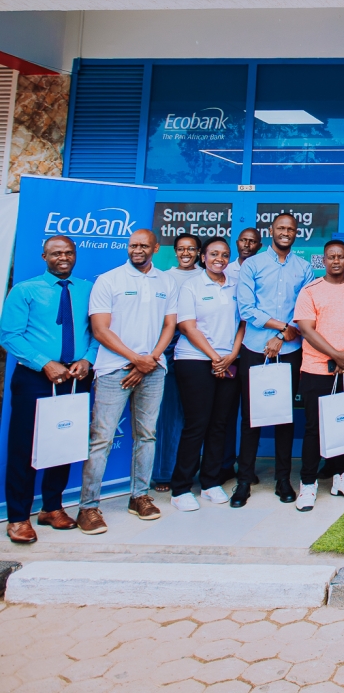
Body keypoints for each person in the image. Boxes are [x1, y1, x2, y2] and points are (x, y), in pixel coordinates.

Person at [80, 229, 179, 534]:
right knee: (102, 438)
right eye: (133, 245)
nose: (137, 250)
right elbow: (100, 329)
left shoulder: (166, 281)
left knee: (147, 435)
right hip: (113, 370)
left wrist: (149, 360)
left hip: (153, 369)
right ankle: (88, 507)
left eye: (143, 246)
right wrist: (135, 359)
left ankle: (140, 496)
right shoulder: (109, 280)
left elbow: (169, 325)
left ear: (155, 248)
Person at [1, 236, 98, 543]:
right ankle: (18, 516)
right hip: (36, 378)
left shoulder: (87, 289)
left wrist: (88, 359)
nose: (63, 258)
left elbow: (98, 331)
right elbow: (9, 336)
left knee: (64, 442)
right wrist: (44, 363)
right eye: (56, 253)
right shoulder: (25, 290)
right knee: (24, 448)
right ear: (44, 256)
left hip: (75, 377)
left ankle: (52, 508)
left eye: (69, 253)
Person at [235, 214, 315, 505]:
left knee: (284, 416)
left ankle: (283, 480)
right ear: (272, 231)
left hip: (289, 352)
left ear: (296, 234)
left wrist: (281, 338)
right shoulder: (253, 265)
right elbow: (246, 308)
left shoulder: (304, 268)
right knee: (251, 417)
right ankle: (244, 481)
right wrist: (279, 328)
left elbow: (302, 310)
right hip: (255, 349)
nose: (285, 233)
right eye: (281, 228)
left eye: (291, 229)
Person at [292, 240, 344, 512]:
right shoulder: (310, 291)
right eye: (331, 257)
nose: (336, 261)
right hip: (317, 369)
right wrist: (335, 355)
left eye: (340, 257)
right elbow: (306, 328)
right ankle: (308, 483)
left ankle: (342, 478)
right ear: (323, 260)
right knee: (314, 428)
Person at [171, 237, 245, 510]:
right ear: (203, 256)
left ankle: (211, 482)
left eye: (225, 255)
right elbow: (188, 326)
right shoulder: (191, 286)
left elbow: (243, 323)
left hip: (227, 360)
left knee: (220, 424)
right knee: (197, 424)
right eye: (214, 254)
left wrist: (232, 355)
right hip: (195, 361)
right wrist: (215, 358)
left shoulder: (236, 286)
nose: (220, 259)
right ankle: (180, 488)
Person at [152, 233, 203, 494]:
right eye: (181, 249)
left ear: (198, 252)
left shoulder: (206, 277)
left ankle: (194, 470)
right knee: (170, 413)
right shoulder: (164, 277)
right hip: (170, 346)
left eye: (191, 249)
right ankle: (164, 472)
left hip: (202, 350)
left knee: (195, 415)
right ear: (174, 251)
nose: (186, 253)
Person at [218, 226, 263, 485]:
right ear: (237, 242)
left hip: (245, 350)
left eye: (252, 241)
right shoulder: (224, 269)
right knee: (224, 415)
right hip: (219, 354)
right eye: (244, 240)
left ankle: (247, 468)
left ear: (259, 245)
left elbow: (249, 316)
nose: (247, 245)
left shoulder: (259, 269)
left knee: (251, 413)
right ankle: (224, 466)